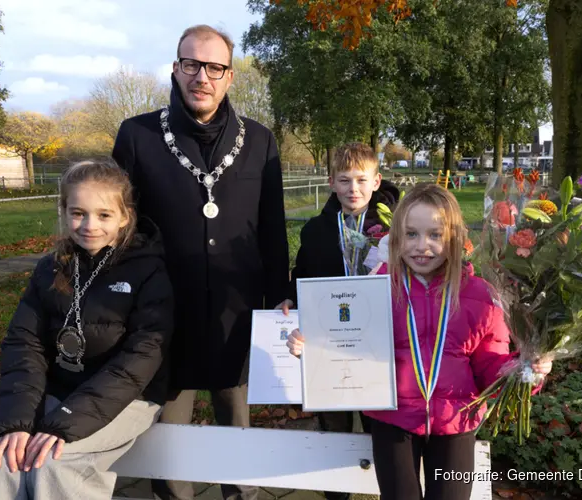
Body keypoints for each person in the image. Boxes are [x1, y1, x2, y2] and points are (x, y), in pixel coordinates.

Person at [111, 24, 289, 500]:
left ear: (229, 76)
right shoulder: (137, 136)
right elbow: (119, 231)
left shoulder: (260, 140)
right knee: (168, 441)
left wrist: (281, 298)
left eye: (214, 67)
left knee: (237, 430)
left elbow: (272, 229)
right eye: (192, 64)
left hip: (238, 314)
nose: (202, 77)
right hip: (163, 317)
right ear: (176, 69)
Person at [286, 183, 553, 500]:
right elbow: (348, 348)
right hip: (392, 420)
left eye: (435, 235)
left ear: (454, 238)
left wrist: (526, 368)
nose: (421, 246)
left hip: (456, 420)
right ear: (396, 237)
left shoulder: (479, 295)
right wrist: (312, 351)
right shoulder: (375, 289)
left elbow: (489, 368)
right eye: (411, 234)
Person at [0, 160, 174, 500]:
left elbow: (142, 358)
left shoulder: (148, 270)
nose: (89, 226)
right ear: (64, 210)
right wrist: (16, 423)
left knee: (54, 464)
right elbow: (24, 345)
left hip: (128, 398)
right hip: (63, 391)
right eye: (78, 213)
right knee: (6, 461)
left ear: (125, 217)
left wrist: (65, 424)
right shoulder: (50, 268)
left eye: (104, 215)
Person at [277, 142, 398, 500]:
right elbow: (304, 273)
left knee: (381, 423)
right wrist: (290, 295)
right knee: (334, 423)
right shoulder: (315, 230)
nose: (353, 189)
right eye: (344, 180)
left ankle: (382, 485)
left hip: (379, 344)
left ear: (376, 181)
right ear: (330, 181)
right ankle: (336, 492)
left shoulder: (395, 226)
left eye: (362, 180)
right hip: (330, 345)